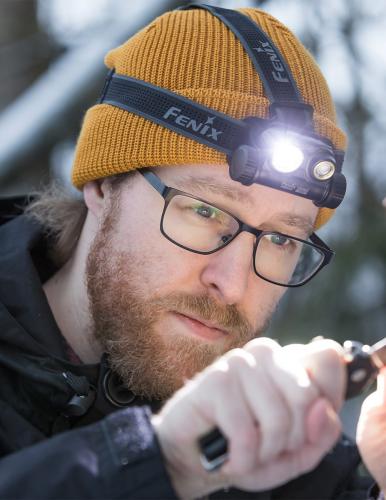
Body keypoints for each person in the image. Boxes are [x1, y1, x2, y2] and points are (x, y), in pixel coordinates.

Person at [0, 4, 385, 499]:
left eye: (280, 240)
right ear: (102, 185)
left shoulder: (287, 462)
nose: (232, 283)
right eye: (205, 212)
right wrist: (165, 461)